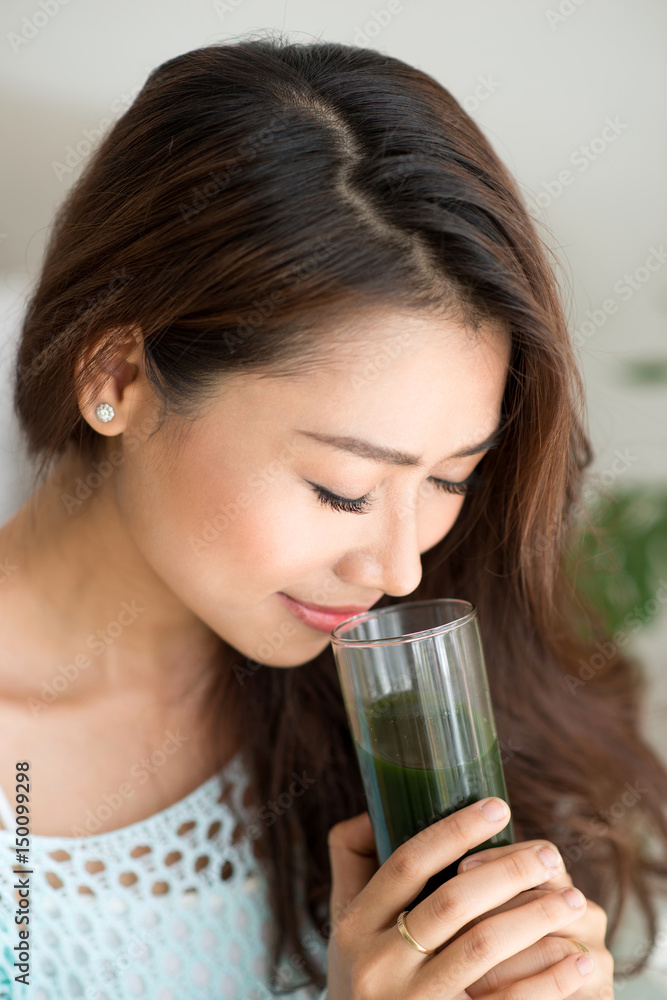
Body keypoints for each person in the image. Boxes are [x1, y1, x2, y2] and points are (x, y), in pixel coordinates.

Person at [0, 33, 665, 1000]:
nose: (399, 571)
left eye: (451, 481)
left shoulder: (396, 702)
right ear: (118, 375)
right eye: (342, 490)